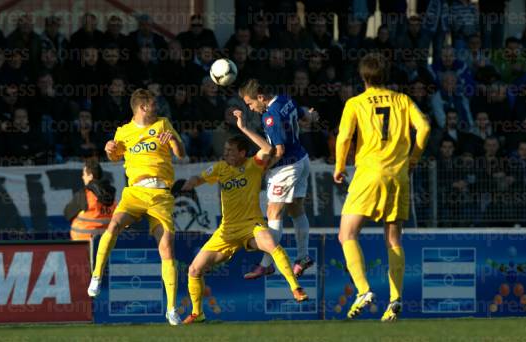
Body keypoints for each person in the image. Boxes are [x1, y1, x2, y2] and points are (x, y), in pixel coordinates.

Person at [333, 53, 430, 322]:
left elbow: (344, 137)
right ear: (386, 76)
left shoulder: (355, 103)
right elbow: (423, 127)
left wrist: (339, 166)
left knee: (347, 234)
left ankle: (363, 290)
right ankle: (395, 299)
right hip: (398, 176)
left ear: (363, 77)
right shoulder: (403, 100)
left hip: (369, 174)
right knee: (393, 239)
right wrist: (413, 160)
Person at [180, 132, 309, 324]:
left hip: (251, 225)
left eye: (231, 151)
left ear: (242, 153)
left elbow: (267, 149)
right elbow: (199, 178)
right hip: (226, 232)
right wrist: (191, 182)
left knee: (271, 245)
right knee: (194, 270)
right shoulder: (220, 168)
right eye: (225, 151)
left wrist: (242, 127)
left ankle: (295, 288)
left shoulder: (253, 165)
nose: (226, 155)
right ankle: (197, 313)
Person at [87, 88, 186, 326]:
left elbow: (181, 154)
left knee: (167, 248)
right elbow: (114, 156)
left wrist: (172, 141)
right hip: (135, 191)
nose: (157, 107)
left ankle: (171, 309)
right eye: (153, 104)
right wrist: (110, 149)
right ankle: (97, 275)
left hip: (161, 194)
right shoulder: (124, 132)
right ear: (142, 107)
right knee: (114, 225)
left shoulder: (163, 124)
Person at [238, 79, 317, 279]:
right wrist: (311, 115)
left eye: (250, 103)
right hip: (302, 159)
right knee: (296, 209)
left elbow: (279, 151)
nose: (251, 108)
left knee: (274, 213)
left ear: (261, 97)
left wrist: (263, 168)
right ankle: (303, 257)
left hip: (286, 167)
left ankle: (266, 263)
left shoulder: (269, 116)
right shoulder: (285, 99)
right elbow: (304, 115)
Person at [64, 160, 116, 240]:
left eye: (84, 174)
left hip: (84, 241)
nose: (82, 177)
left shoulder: (85, 194)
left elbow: (67, 213)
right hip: (105, 242)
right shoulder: (112, 195)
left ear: (90, 176)